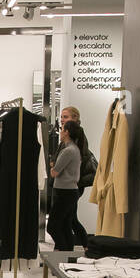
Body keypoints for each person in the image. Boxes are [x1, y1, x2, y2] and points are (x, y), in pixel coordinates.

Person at [47, 120, 83, 252]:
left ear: (67, 132)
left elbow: (55, 172)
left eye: (62, 129)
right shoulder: (75, 149)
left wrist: (52, 167)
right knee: (65, 225)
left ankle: (62, 250)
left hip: (64, 192)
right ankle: (67, 254)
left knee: (53, 226)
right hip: (69, 192)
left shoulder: (68, 151)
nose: (60, 132)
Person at [59, 105, 89, 248]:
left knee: (69, 218)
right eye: (61, 117)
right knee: (69, 218)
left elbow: (79, 160)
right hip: (69, 183)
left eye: (65, 117)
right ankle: (68, 247)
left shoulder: (78, 135)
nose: (62, 120)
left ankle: (83, 245)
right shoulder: (66, 134)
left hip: (73, 184)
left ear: (75, 118)